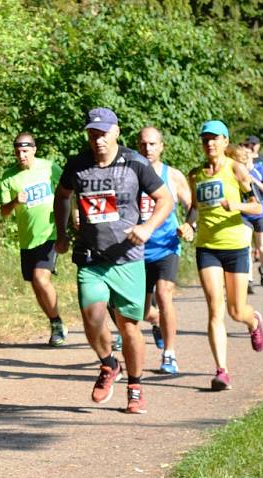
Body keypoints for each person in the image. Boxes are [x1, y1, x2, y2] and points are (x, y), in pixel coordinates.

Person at [54, 108, 174, 414]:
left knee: (129, 327)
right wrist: (63, 231)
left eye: (104, 133)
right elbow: (63, 194)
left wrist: (147, 228)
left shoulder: (135, 162)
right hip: (91, 257)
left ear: (116, 132)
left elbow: (165, 199)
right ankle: (109, 364)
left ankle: (135, 386)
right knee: (92, 317)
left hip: (127, 257)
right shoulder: (78, 164)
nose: (99, 140)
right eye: (93, 134)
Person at [178, 121, 263, 390]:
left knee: (236, 310)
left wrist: (235, 205)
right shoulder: (196, 175)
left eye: (215, 139)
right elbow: (194, 208)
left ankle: (253, 321)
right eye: (205, 139)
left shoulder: (236, 169)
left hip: (236, 245)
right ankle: (222, 371)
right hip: (207, 248)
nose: (210, 144)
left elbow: (256, 207)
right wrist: (188, 225)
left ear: (225, 141)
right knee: (215, 309)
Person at [0, 132, 67, 346]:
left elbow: (67, 191)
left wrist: (71, 216)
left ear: (34, 150)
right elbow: (4, 211)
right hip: (27, 240)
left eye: (26, 151)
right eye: (18, 151)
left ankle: (56, 324)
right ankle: (55, 321)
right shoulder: (9, 176)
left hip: (50, 233)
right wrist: (14, 202)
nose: (22, 155)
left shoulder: (49, 167)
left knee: (40, 278)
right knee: (36, 285)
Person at [136, 126, 192, 374]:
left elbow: (193, 206)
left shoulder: (173, 176)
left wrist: (189, 225)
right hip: (136, 250)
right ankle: (156, 320)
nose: (148, 148)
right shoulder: (130, 173)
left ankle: (169, 354)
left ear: (161, 146)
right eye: (143, 144)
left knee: (164, 293)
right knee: (140, 309)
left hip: (166, 247)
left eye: (152, 144)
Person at [239, 143, 263, 289]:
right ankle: (248, 280)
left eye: (246, 155)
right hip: (244, 214)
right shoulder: (236, 171)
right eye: (241, 155)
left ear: (251, 155)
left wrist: (254, 181)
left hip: (260, 213)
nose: (243, 158)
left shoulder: (260, 169)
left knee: (261, 246)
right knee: (246, 247)